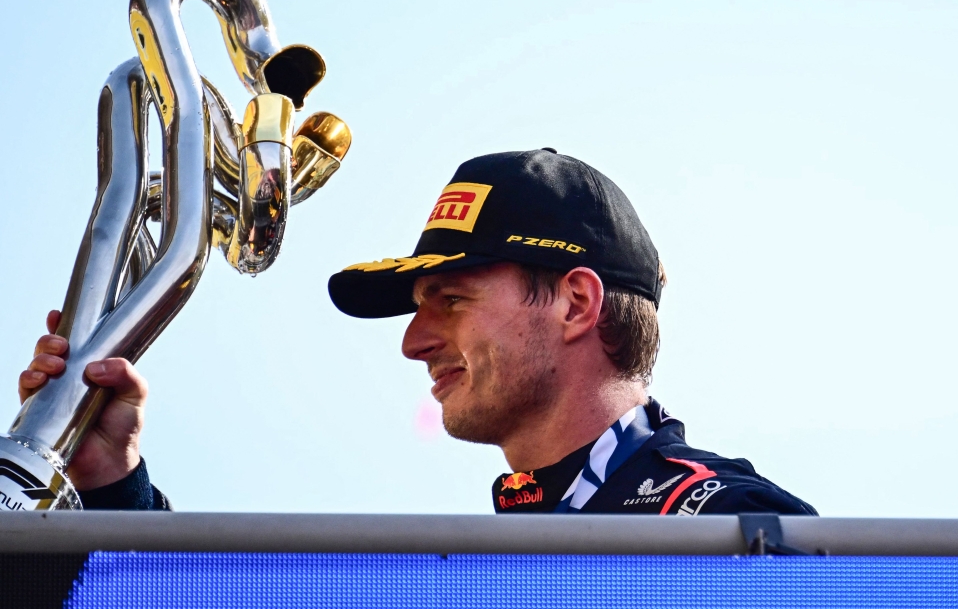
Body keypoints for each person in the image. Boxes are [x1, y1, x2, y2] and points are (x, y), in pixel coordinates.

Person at [20, 149, 816, 515]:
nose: (413, 342)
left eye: (452, 300)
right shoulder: (507, 551)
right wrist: (111, 481)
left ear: (576, 304)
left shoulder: (721, 522)